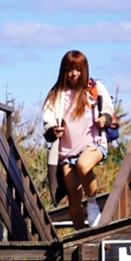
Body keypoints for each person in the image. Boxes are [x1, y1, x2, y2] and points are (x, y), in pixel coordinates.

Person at [43, 50, 114, 229]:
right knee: (73, 198)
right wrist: (53, 130)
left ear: (84, 70)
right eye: (69, 69)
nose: (74, 74)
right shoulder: (56, 94)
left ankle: (92, 203)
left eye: (78, 69)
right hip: (66, 150)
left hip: (94, 142)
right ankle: (81, 238)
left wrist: (105, 118)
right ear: (63, 71)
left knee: (84, 165)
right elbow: (48, 119)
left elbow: (108, 109)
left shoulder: (94, 87)